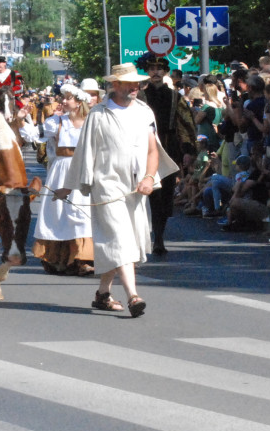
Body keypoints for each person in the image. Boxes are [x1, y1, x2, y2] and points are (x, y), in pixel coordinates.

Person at [57, 62, 167, 319]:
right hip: (106, 186)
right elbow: (84, 153)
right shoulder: (99, 114)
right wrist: (67, 186)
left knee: (125, 242)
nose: (135, 87)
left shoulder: (144, 112)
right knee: (119, 239)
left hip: (136, 188)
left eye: (137, 83)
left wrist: (150, 178)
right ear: (115, 85)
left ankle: (103, 294)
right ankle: (133, 296)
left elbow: (153, 150)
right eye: (129, 83)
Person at [24, 83, 94, 276]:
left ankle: (83, 258)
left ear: (79, 102)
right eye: (63, 97)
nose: (63, 101)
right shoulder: (56, 122)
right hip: (61, 170)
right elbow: (35, 136)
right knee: (60, 214)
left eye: (68, 98)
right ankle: (60, 258)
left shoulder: (91, 121)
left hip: (83, 169)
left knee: (82, 212)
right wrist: (22, 120)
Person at [138, 54, 195, 254]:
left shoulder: (175, 96)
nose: (155, 72)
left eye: (159, 68)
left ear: (165, 72)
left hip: (168, 148)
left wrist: (187, 149)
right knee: (149, 192)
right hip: (143, 148)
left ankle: (159, 236)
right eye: (152, 68)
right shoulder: (139, 97)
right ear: (147, 71)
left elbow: (185, 123)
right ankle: (150, 236)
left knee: (165, 194)